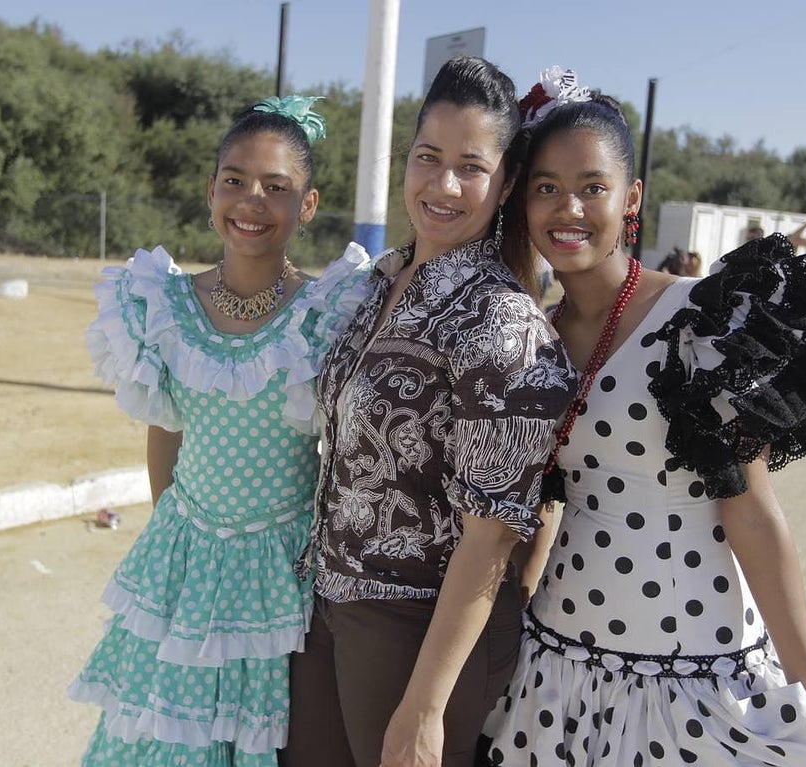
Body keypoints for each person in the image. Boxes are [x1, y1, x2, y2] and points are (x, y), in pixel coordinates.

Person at [483, 70, 806, 767]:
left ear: (632, 197)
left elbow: (755, 516)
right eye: (546, 187)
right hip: (556, 676)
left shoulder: (698, 321)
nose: (569, 208)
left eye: (592, 186)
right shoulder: (533, 336)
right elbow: (546, 509)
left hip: (698, 676)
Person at [281, 57, 578, 767]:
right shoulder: (381, 282)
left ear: (506, 182)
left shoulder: (500, 321)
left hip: (418, 630)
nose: (443, 185)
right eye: (428, 158)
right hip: (330, 604)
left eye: (471, 167)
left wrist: (425, 706)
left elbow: (493, 534)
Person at [67, 96, 374, 766]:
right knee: (167, 738)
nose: (251, 201)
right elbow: (165, 431)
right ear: (211, 192)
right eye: (234, 180)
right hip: (184, 561)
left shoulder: (331, 313)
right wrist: (177, 543)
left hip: (285, 570)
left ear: (309, 204)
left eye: (277, 187)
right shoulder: (163, 305)